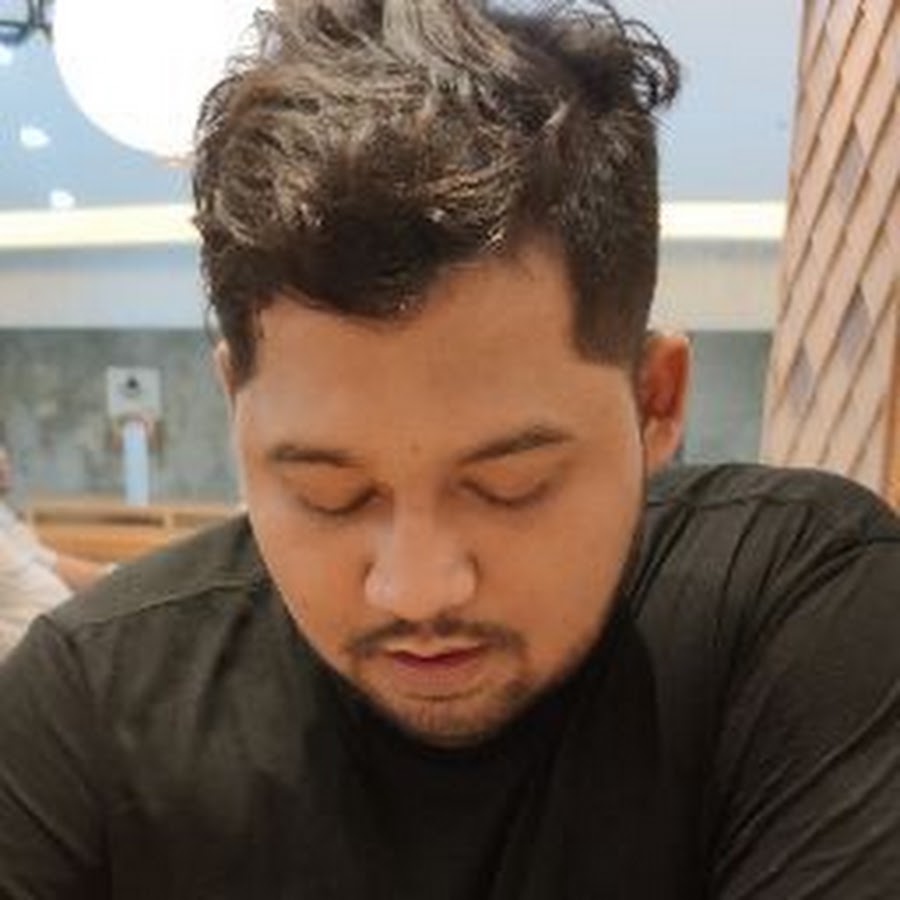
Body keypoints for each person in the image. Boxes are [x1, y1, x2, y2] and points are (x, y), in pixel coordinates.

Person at [1, 1, 898, 896]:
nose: (417, 589)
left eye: (512, 484)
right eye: (328, 493)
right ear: (237, 408)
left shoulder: (797, 603)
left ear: (654, 402)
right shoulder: (88, 699)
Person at [0, 440, 107, 658]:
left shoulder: (4, 517)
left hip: (62, 642)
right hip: (34, 659)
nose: (3, 457)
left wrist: (125, 577)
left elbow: (54, 563)